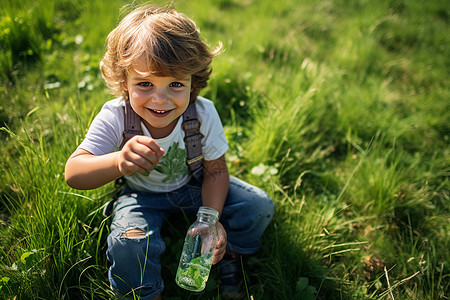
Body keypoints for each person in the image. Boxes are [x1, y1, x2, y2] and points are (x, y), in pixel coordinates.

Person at [65, 3, 274, 299]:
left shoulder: (202, 113)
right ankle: (147, 292)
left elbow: (215, 171)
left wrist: (210, 218)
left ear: (193, 81)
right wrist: (119, 162)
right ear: (124, 81)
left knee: (257, 206)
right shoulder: (116, 116)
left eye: (175, 84)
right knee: (128, 243)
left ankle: (228, 255)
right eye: (145, 83)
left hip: (192, 187)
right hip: (141, 196)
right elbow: (74, 173)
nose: (160, 100)